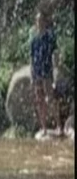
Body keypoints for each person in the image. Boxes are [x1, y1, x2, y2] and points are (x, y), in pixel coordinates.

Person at [30, 9, 59, 139]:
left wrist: (56, 67)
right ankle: (44, 128)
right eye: (38, 21)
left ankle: (59, 126)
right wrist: (32, 75)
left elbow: (55, 53)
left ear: (45, 22)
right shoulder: (34, 40)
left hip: (47, 71)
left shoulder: (50, 37)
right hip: (37, 72)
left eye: (41, 20)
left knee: (51, 98)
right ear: (36, 23)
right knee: (40, 100)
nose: (39, 23)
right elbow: (32, 59)